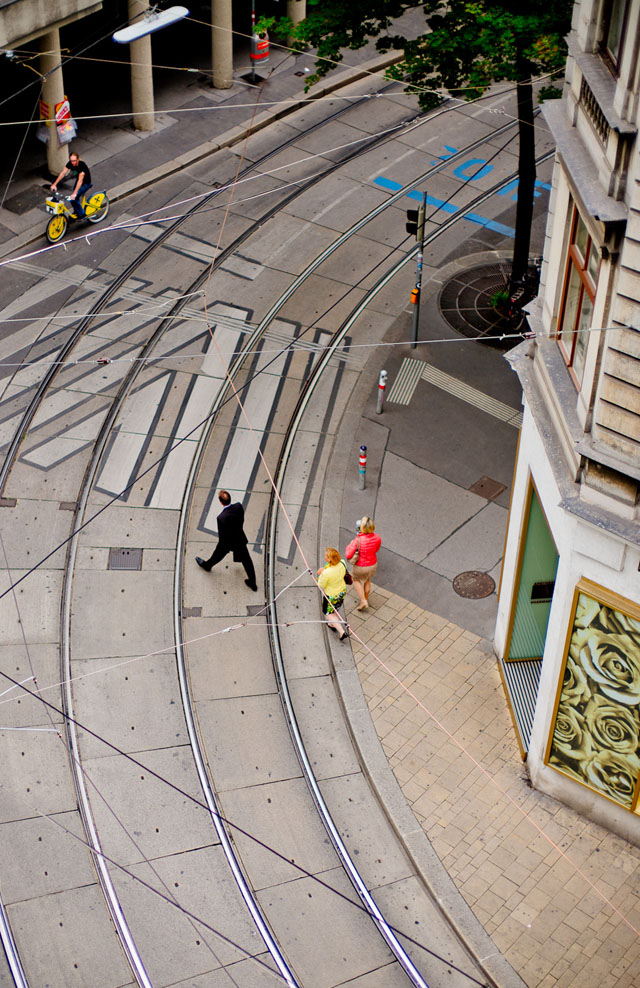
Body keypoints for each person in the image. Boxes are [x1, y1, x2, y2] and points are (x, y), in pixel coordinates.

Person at [195, 490, 258, 591]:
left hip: (228, 542)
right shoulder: (238, 506)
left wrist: (224, 546)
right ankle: (253, 583)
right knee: (247, 561)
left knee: (218, 555)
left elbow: (222, 536)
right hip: (239, 538)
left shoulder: (221, 518)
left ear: (221, 502)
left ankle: (207, 566)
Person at [345, 515, 381, 612]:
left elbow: (348, 555)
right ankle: (365, 598)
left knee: (355, 579)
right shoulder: (377, 538)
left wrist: (350, 544)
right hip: (372, 564)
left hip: (361, 566)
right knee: (367, 580)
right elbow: (376, 549)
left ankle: (363, 600)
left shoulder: (358, 540)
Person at [317, 547, 349, 640]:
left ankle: (342, 632)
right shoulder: (342, 563)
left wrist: (320, 574)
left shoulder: (326, 573)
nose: (324, 556)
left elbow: (321, 584)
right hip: (341, 591)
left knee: (328, 613)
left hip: (331, 595)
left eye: (326, 555)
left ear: (329, 559)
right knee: (335, 608)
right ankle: (331, 623)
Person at [50, 151, 92, 220]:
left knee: (73, 198)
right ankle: (77, 211)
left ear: (78, 160)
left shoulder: (82, 166)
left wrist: (74, 193)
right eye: (71, 161)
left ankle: (82, 215)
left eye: (74, 161)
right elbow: (63, 173)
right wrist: (54, 184)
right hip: (79, 181)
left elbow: (80, 181)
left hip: (85, 183)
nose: (72, 162)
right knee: (73, 198)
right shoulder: (70, 164)